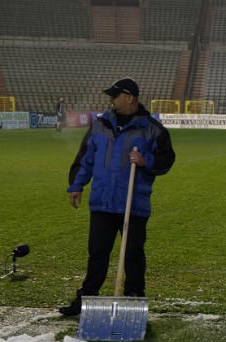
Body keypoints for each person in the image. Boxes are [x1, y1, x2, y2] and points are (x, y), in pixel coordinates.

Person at [59, 78, 176, 316]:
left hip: (133, 203)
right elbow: (85, 158)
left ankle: (134, 299)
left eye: (115, 95)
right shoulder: (100, 125)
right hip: (102, 202)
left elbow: (167, 160)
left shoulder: (153, 129)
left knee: (133, 254)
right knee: (97, 253)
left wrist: (146, 161)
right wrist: (76, 185)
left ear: (130, 97)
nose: (111, 100)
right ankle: (86, 298)